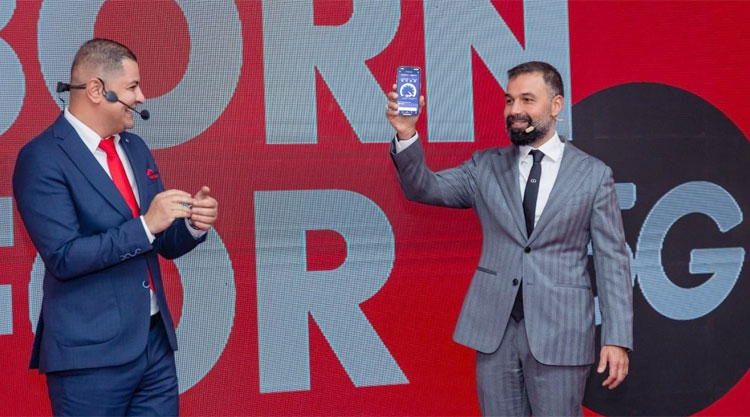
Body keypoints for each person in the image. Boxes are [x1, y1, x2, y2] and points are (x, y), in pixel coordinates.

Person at [386, 61, 632, 416]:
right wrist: (406, 133)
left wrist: (616, 336)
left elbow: (613, 261)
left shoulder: (593, 175)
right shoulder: (484, 167)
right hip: (495, 332)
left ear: (556, 105)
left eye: (527, 100)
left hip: (562, 332)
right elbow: (423, 187)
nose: (515, 110)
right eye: (509, 100)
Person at [13, 38, 218, 416]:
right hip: (88, 358)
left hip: (154, 344)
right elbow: (64, 257)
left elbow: (160, 241)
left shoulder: (135, 149)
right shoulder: (41, 158)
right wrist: (146, 225)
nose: (142, 97)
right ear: (97, 90)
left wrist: (193, 225)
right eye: (132, 87)